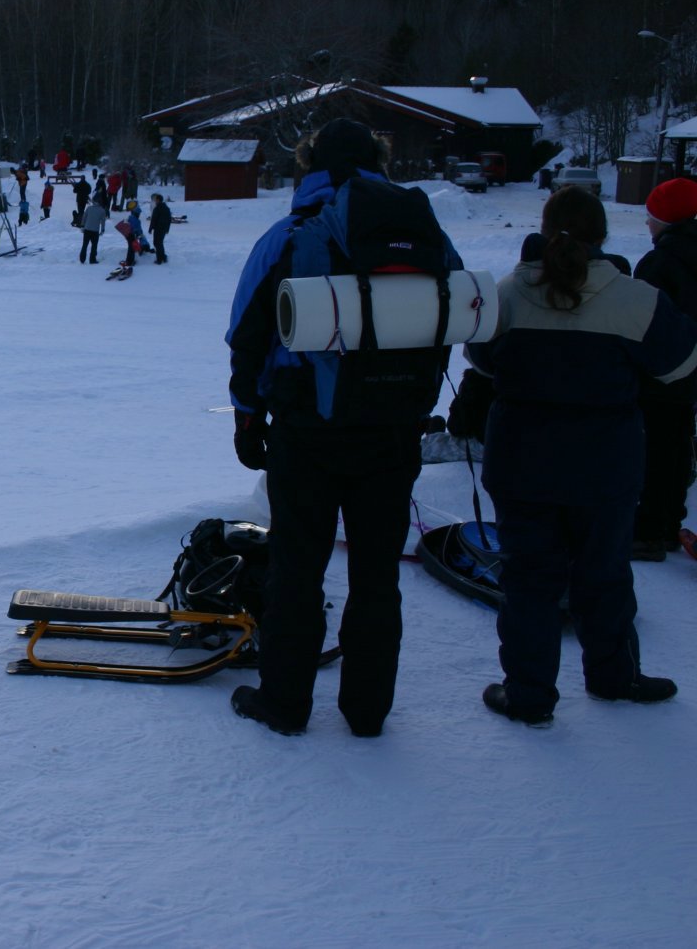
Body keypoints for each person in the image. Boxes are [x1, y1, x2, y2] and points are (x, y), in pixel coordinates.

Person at [225, 117, 462, 738]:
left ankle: (285, 703)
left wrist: (248, 417)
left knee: (297, 569)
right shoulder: (425, 236)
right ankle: (367, 710)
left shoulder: (291, 236)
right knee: (377, 575)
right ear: (379, 163)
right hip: (394, 432)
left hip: (308, 432)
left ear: (309, 166)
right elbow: (449, 321)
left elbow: (248, 336)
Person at [467, 186, 697, 724]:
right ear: (602, 236)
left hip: (522, 462)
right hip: (605, 465)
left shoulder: (508, 293)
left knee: (529, 579)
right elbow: (680, 364)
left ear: (545, 231)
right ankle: (615, 678)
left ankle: (528, 695)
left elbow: (480, 359)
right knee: (605, 572)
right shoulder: (635, 297)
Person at [627, 178, 697, 560]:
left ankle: (651, 530)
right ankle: (668, 521)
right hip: (690, 370)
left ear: (667, 219)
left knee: (655, 447)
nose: (647, 222)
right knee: (678, 442)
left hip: (661, 372)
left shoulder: (660, 262)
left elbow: (643, 318)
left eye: (651, 216)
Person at [79, 198, 107, 264]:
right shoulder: (102, 211)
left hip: (87, 229)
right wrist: (102, 229)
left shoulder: (89, 208)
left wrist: (82, 226)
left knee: (85, 244)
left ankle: (82, 259)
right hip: (95, 231)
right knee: (94, 246)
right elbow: (103, 221)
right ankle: (92, 259)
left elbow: (84, 217)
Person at [149, 192, 172, 264]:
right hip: (164, 229)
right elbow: (169, 219)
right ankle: (163, 257)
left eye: (156, 200)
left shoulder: (157, 208)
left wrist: (150, 229)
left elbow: (153, 219)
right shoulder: (166, 208)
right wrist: (167, 229)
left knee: (156, 243)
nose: (155, 201)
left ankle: (159, 259)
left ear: (158, 200)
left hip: (158, 228)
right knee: (160, 243)